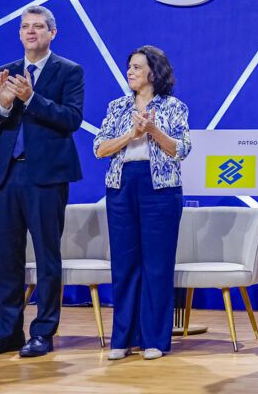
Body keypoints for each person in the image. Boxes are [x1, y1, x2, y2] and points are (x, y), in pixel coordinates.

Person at [0, 5, 84, 358]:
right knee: (6, 258)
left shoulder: (69, 71)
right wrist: (5, 105)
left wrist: (31, 99)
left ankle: (43, 332)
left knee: (47, 256)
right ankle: (7, 333)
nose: (31, 31)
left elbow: (71, 119)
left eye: (38, 26)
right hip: (6, 174)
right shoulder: (3, 72)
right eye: (25, 27)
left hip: (46, 176)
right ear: (20, 34)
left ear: (52, 33)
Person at [93, 46, 191, 360]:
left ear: (154, 72)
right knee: (124, 264)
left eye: (137, 67)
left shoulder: (174, 106)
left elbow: (182, 149)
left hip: (161, 189)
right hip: (121, 187)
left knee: (157, 266)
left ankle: (154, 340)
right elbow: (100, 148)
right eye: (129, 67)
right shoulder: (117, 106)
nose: (130, 72)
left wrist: (152, 130)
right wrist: (131, 135)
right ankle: (122, 338)